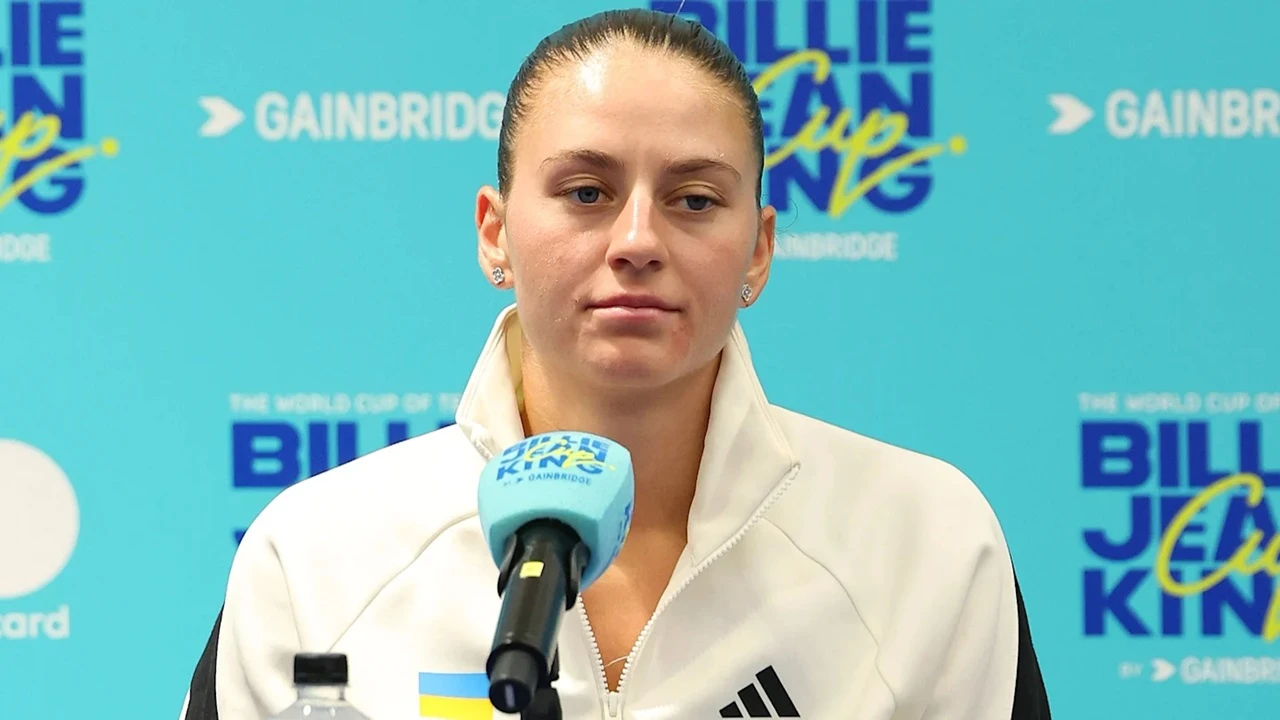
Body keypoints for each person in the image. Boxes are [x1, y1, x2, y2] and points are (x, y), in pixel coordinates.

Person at [180, 9, 1050, 719]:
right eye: (587, 193)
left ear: (759, 250)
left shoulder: (925, 541)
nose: (638, 241)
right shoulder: (317, 556)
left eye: (694, 200)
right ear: (495, 232)